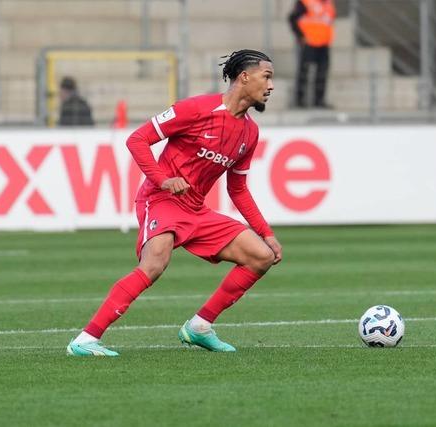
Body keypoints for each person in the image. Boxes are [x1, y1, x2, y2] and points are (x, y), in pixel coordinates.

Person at [66, 49, 283, 356]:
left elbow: (238, 189)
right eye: (267, 77)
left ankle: (199, 327)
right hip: (161, 199)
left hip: (196, 210)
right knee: (155, 263)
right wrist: (163, 179)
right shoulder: (195, 108)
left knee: (260, 256)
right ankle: (86, 340)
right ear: (244, 77)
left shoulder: (250, 132)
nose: (271, 86)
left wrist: (266, 233)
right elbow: (137, 140)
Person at [288, 0, 336, 108]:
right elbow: (292, 18)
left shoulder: (328, 3)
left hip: (324, 43)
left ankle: (319, 101)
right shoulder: (306, 2)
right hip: (309, 42)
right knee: (304, 72)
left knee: (322, 73)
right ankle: (299, 101)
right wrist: (300, 36)